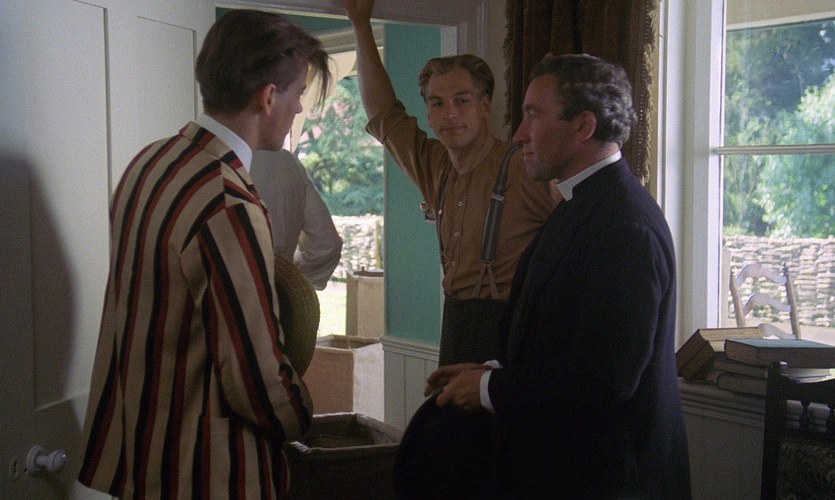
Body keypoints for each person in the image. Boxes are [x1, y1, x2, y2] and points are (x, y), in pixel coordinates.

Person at [77, 10, 331, 499]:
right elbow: (254, 376)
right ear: (268, 97)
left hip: (141, 450)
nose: (299, 107)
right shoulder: (226, 200)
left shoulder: (150, 163)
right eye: (298, 93)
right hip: (204, 470)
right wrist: (300, 416)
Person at [426, 53, 691, 498]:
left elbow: (603, 378)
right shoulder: (582, 204)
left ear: (583, 126)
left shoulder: (623, 226)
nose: (519, 134)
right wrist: (489, 370)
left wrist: (490, 387)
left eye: (533, 115)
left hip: (612, 482)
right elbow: (563, 341)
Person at [343, 0, 556, 367]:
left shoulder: (524, 167)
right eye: (438, 103)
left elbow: (582, 243)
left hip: (515, 338)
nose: (450, 113)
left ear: (485, 107)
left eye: (462, 100)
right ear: (428, 113)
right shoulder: (435, 166)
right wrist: (360, 24)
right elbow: (383, 115)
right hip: (456, 328)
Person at [250, 148, 343, 290]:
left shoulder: (215, 157)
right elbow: (326, 246)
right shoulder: (288, 163)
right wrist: (286, 275)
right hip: (278, 295)